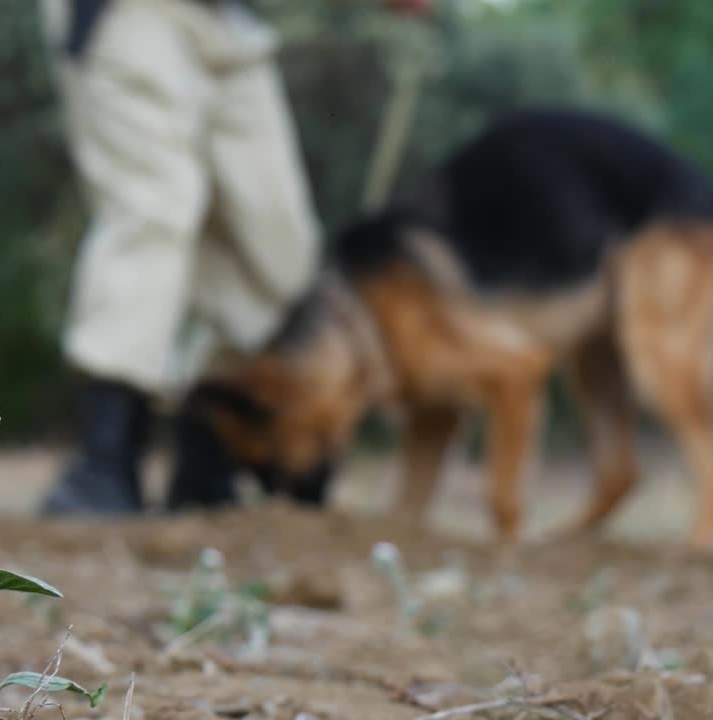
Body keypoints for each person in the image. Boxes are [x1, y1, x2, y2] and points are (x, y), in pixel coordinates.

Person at [37, 0, 426, 515]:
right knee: (155, 209)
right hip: (125, 15)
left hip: (223, 23)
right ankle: (104, 463)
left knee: (279, 247)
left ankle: (210, 455)